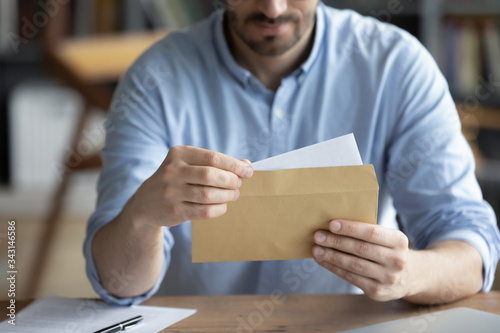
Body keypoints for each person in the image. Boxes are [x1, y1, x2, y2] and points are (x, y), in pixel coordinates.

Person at [84, 0, 500, 306]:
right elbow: (118, 283)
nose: (274, 8)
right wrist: (141, 217)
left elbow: (469, 244)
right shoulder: (153, 78)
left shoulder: (396, 66)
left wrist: (410, 274)